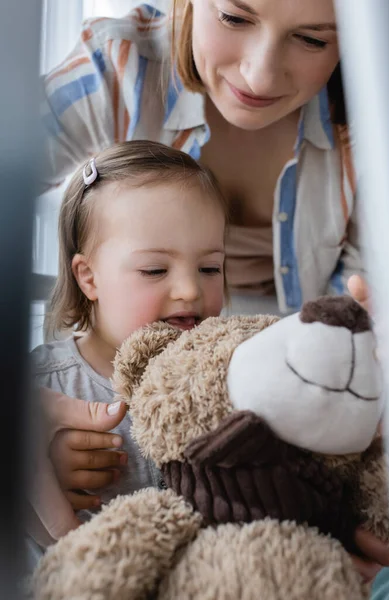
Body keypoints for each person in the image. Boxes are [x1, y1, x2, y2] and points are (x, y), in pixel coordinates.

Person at [32, 0, 389, 582]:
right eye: (234, 17)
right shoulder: (120, 67)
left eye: (312, 38)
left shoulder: (377, 109)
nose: (259, 74)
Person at [27, 139, 227, 565]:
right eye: (155, 269)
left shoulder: (235, 376)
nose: (191, 289)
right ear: (89, 277)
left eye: (210, 268)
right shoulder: (40, 383)